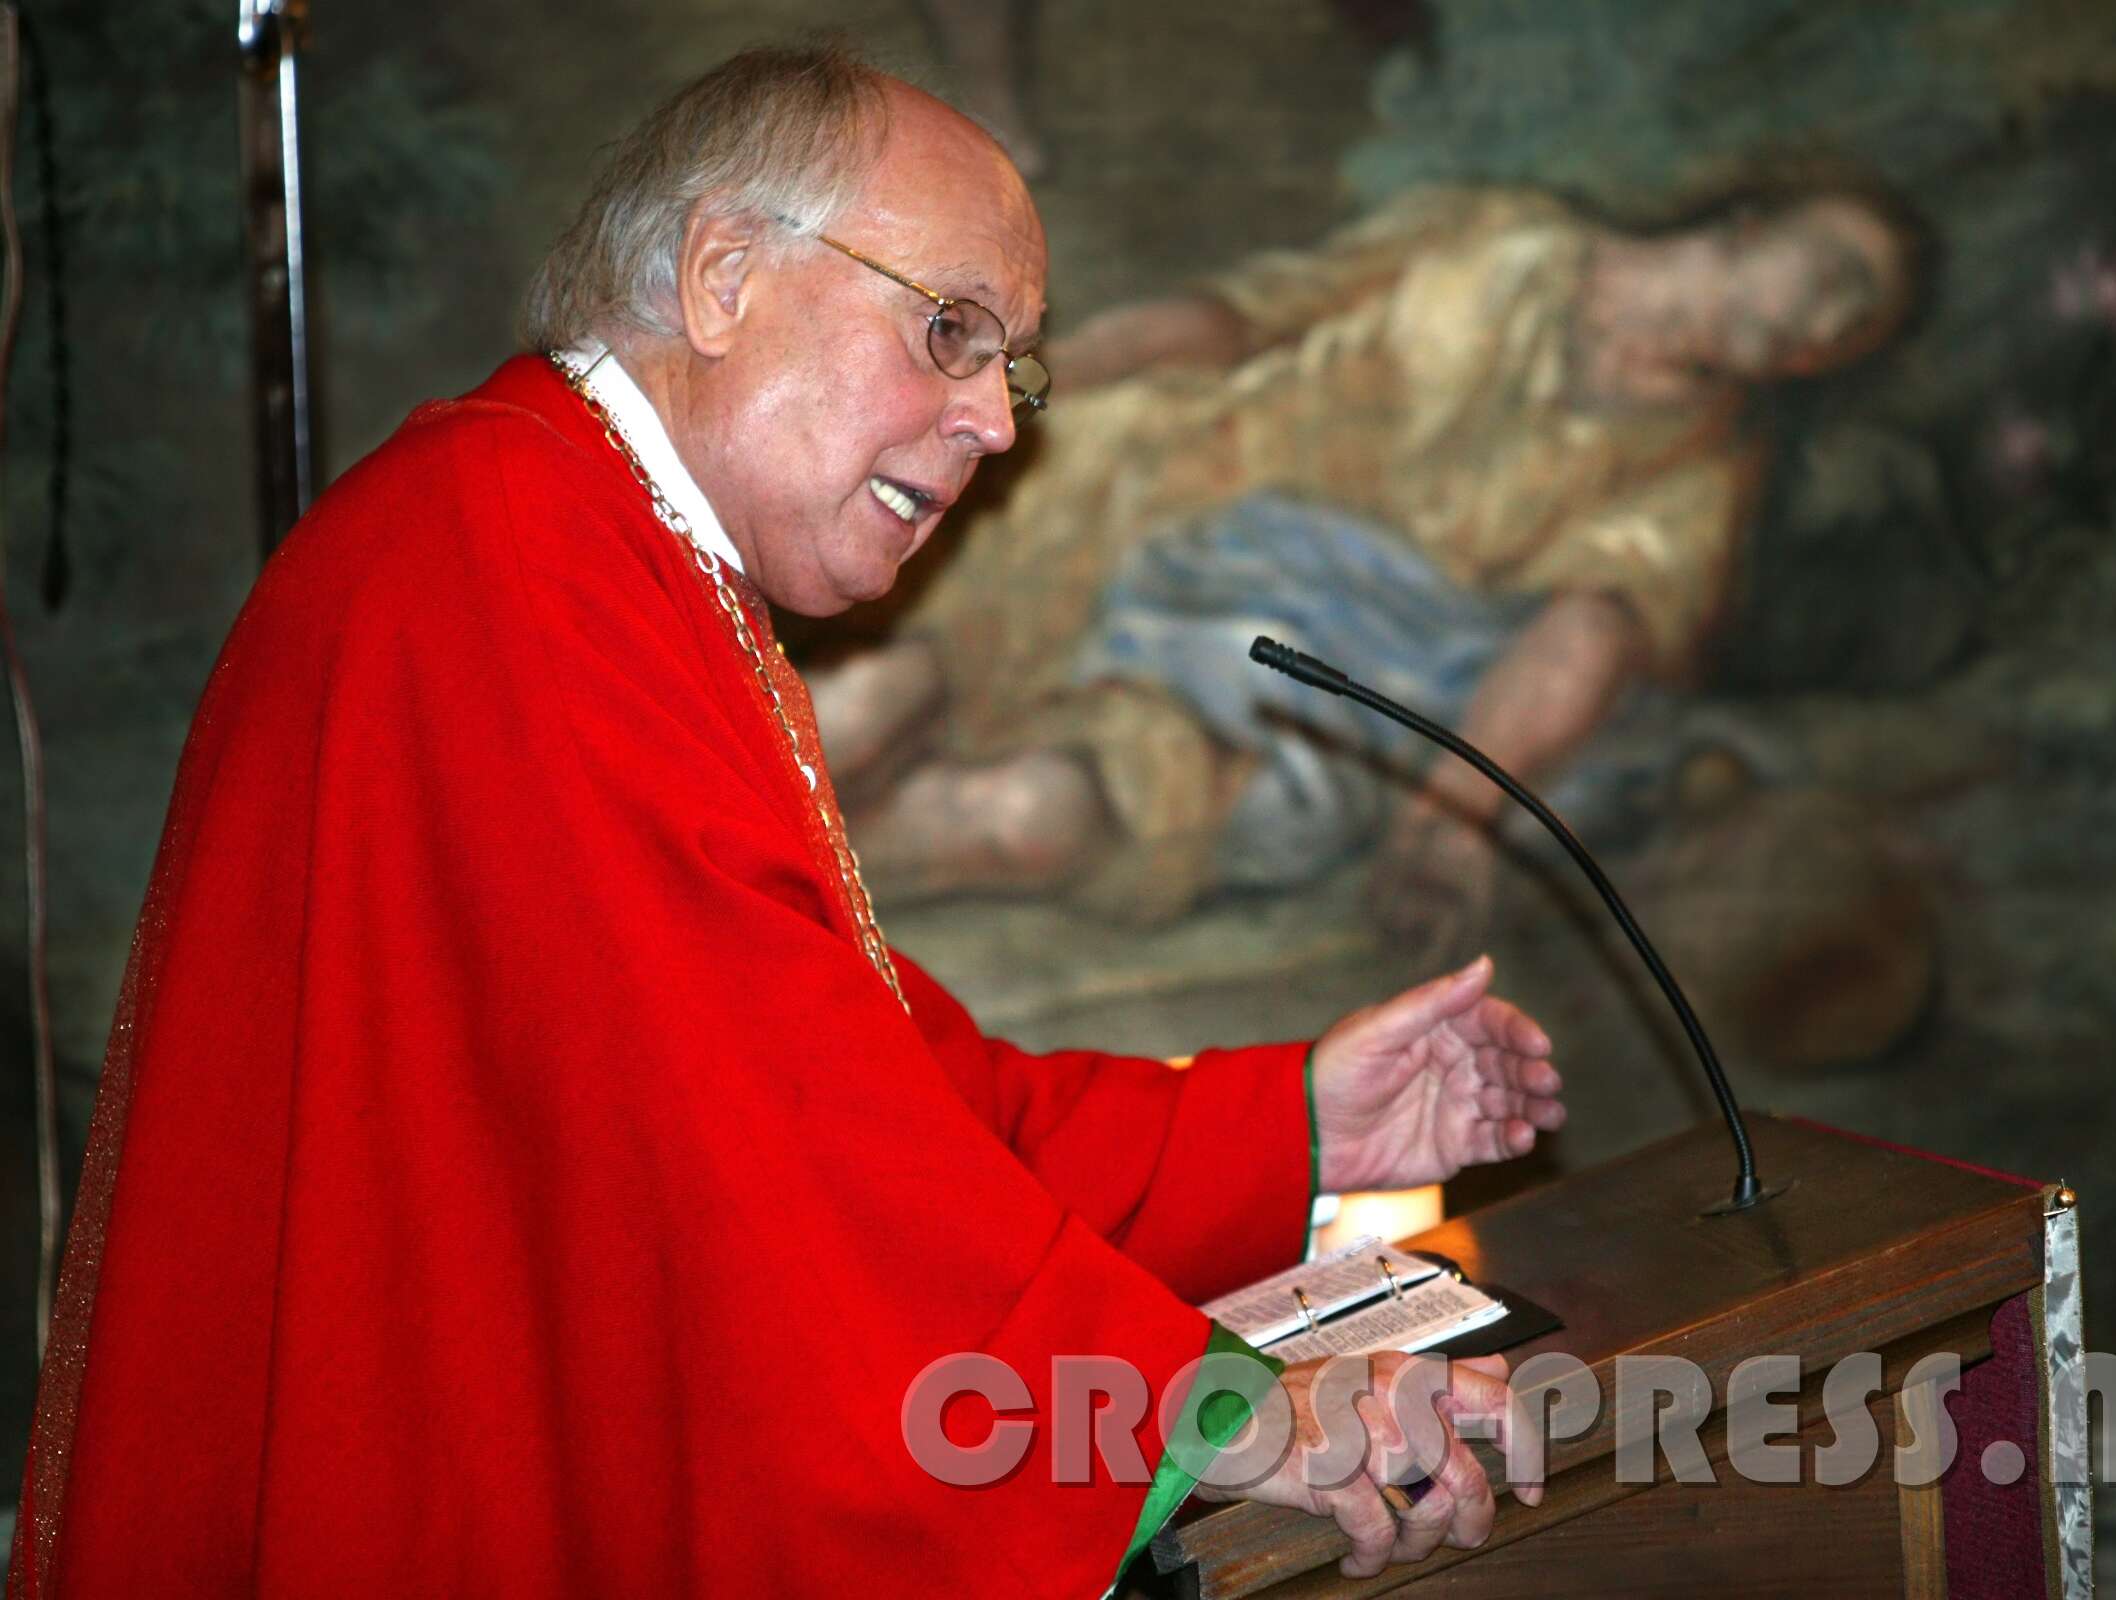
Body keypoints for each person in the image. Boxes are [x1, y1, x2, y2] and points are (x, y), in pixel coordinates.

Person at [9, 47, 1567, 1598]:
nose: (995, 423)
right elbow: (784, 1177)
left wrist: (1297, 1119)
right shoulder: (505, 557)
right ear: (722, 276)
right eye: (950, 331)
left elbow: (888, 1096)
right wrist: (1218, 1414)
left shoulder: (611, 555)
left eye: (1011, 369)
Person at [812, 182, 1919, 958]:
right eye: (1835, 277)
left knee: (1025, 821)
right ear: (1753, 221)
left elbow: (1586, 635)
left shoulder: (1697, 475)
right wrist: (1033, 382)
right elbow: (1252, 315)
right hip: (1143, 499)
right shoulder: (1502, 235)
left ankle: (733, 967)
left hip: (1266, 660)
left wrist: (1451, 819)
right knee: (870, 708)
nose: (1827, 325)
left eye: (1854, 328)